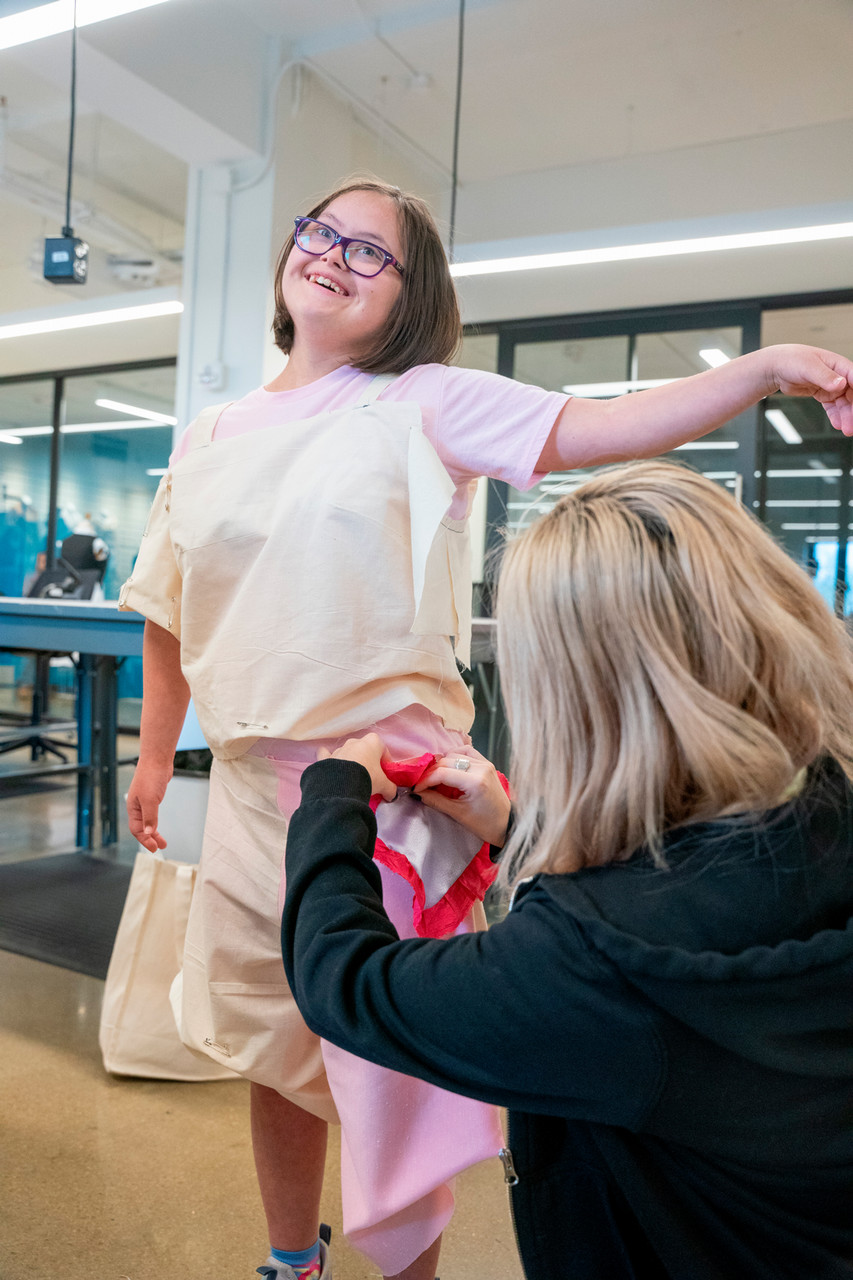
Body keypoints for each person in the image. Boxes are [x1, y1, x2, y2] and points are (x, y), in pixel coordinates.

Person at [121, 174, 853, 1280]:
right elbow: (169, 607)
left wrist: (761, 373)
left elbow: (599, 428)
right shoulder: (211, 428)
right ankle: (290, 1256)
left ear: (412, 297)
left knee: (388, 1066)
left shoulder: (420, 399)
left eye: (370, 252)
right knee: (274, 1046)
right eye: (321, 232)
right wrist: (150, 751)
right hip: (243, 783)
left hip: (390, 782)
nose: (331, 253)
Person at [282, 459, 853, 1280]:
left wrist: (332, 794)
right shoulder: (824, 815)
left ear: (571, 694)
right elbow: (685, 890)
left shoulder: (590, 965)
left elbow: (346, 980)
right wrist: (516, 832)